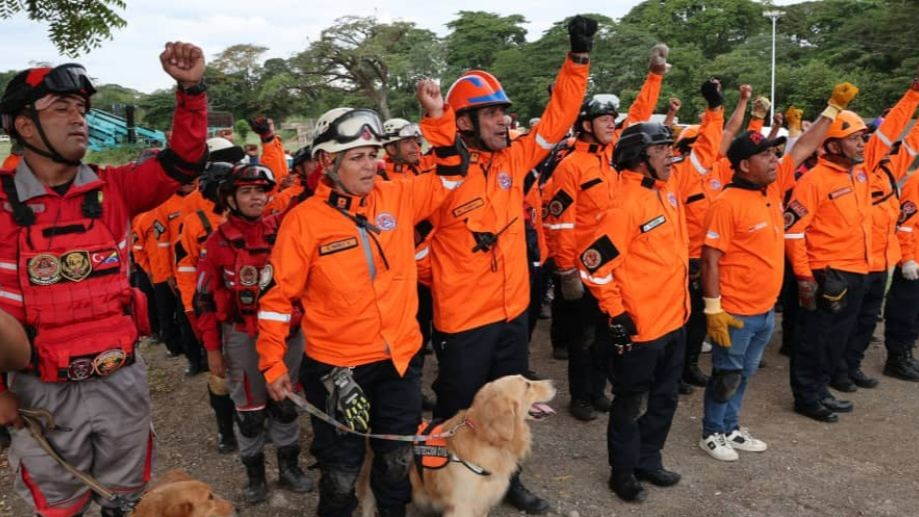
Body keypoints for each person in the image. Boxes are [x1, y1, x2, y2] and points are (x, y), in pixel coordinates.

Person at [0, 42, 208, 517]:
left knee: (125, 501)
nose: (79, 119)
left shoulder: (114, 189)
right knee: (58, 508)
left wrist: (190, 90)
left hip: (121, 384)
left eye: (81, 108)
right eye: (61, 109)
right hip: (39, 395)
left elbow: (183, 162)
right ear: (24, 125)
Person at [255, 80, 465, 517]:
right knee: (341, 471)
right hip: (339, 370)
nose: (370, 166)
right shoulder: (303, 222)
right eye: (357, 158)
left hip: (400, 362)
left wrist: (438, 117)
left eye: (373, 155)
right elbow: (276, 300)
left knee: (395, 461)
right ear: (327, 162)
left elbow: (450, 174)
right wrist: (273, 362)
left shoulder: (397, 196)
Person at [418, 15, 596, 513]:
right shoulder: (438, 177)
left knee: (512, 411)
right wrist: (450, 277)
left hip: (511, 314)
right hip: (463, 321)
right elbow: (408, 250)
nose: (504, 121)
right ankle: (440, 486)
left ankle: (509, 480)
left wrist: (577, 57)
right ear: (463, 123)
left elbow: (559, 116)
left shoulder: (514, 161)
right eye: (490, 113)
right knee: (456, 412)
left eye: (505, 112)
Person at [697, 92, 837, 461]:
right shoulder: (726, 203)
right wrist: (713, 309)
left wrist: (832, 110)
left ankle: (730, 426)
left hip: (764, 309)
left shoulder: (771, 188)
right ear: (744, 165)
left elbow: (805, 145)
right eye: (766, 155)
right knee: (727, 373)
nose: (775, 160)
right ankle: (712, 432)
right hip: (736, 310)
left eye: (774, 154)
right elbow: (709, 259)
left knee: (744, 373)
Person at [577, 121, 686, 503]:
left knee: (666, 398)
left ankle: (648, 459)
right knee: (630, 402)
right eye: (662, 150)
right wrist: (616, 314)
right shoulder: (621, 207)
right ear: (641, 158)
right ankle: (622, 471)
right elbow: (592, 266)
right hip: (641, 327)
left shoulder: (666, 191)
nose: (670, 156)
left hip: (675, 320)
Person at [196, 163, 313, 505]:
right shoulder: (216, 244)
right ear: (229, 198)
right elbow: (204, 299)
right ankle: (255, 477)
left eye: (261, 191)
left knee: (287, 403)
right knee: (249, 411)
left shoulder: (283, 229)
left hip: (288, 335)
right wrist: (212, 350)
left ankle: (289, 469)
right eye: (247, 191)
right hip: (242, 336)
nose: (256, 198)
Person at [783, 83, 866, 422]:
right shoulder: (813, 180)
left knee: (837, 338)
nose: (862, 143)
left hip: (856, 269)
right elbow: (793, 232)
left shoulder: (857, 174)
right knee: (815, 338)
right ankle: (806, 395)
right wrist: (804, 276)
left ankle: (821, 388)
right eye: (855, 138)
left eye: (863, 138)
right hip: (824, 272)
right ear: (832, 144)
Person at [834, 74, 919, 389]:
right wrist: (913, 95)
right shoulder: (864, 169)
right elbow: (892, 130)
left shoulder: (888, 169)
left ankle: (852, 366)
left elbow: (912, 141)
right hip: (858, 261)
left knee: (868, 322)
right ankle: (838, 371)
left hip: (882, 260)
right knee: (849, 321)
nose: (871, 144)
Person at [881, 123, 919, 381]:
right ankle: (897, 358)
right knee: (904, 312)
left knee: (915, 314)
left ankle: (906, 353)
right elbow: (905, 226)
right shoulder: (916, 182)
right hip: (913, 260)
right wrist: (907, 259)